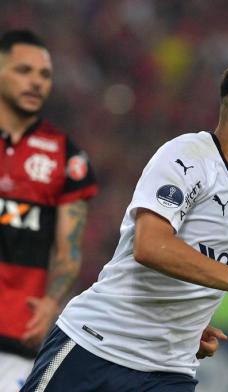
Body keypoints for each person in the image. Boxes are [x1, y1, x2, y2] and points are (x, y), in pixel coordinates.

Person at [21, 51, 228, 392]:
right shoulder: (187, 156)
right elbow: (151, 246)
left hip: (169, 371)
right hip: (97, 347)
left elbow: (202, 263)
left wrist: (188, 324)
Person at [0, 30, 98, 391]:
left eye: (44, 75)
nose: (36, 82)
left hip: (17, 336)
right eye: (24, 70)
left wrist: (50, 302)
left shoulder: (66, 158)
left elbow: (68, 249)